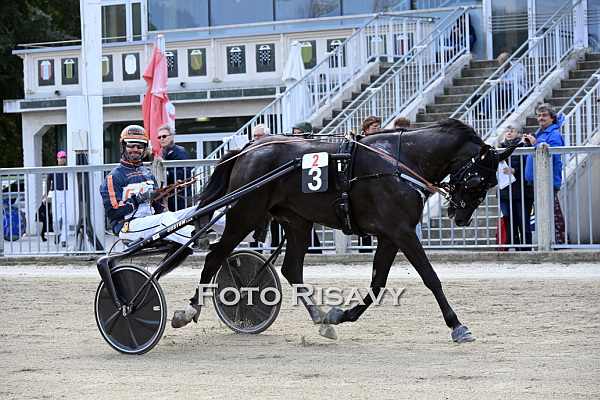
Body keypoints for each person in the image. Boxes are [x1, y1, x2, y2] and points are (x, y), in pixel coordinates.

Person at [100, 125, 204, 249]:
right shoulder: (114, 177)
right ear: (123, 146)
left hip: (152, 223)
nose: (135, 149)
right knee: (165, 219)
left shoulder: (148, 175)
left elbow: (158, 206)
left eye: (140, 146)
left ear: (145, 149)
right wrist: (139, 198)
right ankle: (197, 239)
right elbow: (112, 211)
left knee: (199, 209)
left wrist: (162, 207)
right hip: (128, 226)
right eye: (131, 145)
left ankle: (224, 238)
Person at [523, 103, 568, 244]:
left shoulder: (554, 135)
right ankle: (548, 243)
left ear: (552, 118)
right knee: (542, 214)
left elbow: (553, 156)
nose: (541, 118)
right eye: (539, 115)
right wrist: (528, 146)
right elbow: (529, 157)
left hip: (547, 181)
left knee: (547, 214)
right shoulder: (538, 134)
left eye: (544, 115)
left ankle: (551, 244)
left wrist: (535, 144)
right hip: (535, 181)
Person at [498, 123, 534, 250]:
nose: (508, 133)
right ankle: (512, 249)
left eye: (512, 131)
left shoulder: (524, 147)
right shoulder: (500, 149)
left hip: (522, 193)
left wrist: (515, 171)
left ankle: (526, 249)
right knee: (509, 223)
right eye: (507, 130)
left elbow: (529, 168)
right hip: (504, 193)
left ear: (519, 134)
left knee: (523, 223)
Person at [157, 124, 191, 211]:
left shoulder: (180, 151)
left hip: (182, 196)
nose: (161, 139)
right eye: (159, 137)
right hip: (171, 196)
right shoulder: (163, 154)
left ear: (172, 137)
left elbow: (185, 173)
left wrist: (167, 173)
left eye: (164, 136)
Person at [44, 151, 69, 247]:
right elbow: (48, 182)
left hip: (66, 193)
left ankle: (64, 239)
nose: (62, 159)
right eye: (61, 158)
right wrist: (45, 195)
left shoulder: (68, 169)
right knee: (55, 219)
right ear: (58, 159)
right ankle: (57, 233)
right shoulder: (53, 169)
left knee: (66, 218)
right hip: (56, 193)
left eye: (64, 158)